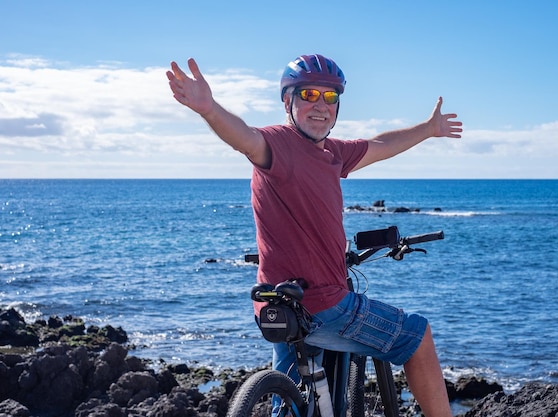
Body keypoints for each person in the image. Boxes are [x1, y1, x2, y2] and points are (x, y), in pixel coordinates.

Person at [167, 54, 462, 417]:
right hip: (324, 305)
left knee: (295, 403)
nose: (320, 106)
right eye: (308, 95)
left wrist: (429, 129)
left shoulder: (333, 152)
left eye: (330, 97)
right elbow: (245, 138)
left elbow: (381, 145)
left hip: (280, 305)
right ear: (287, 100)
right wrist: (209, 109)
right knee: (418, 337)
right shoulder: (279, 144)